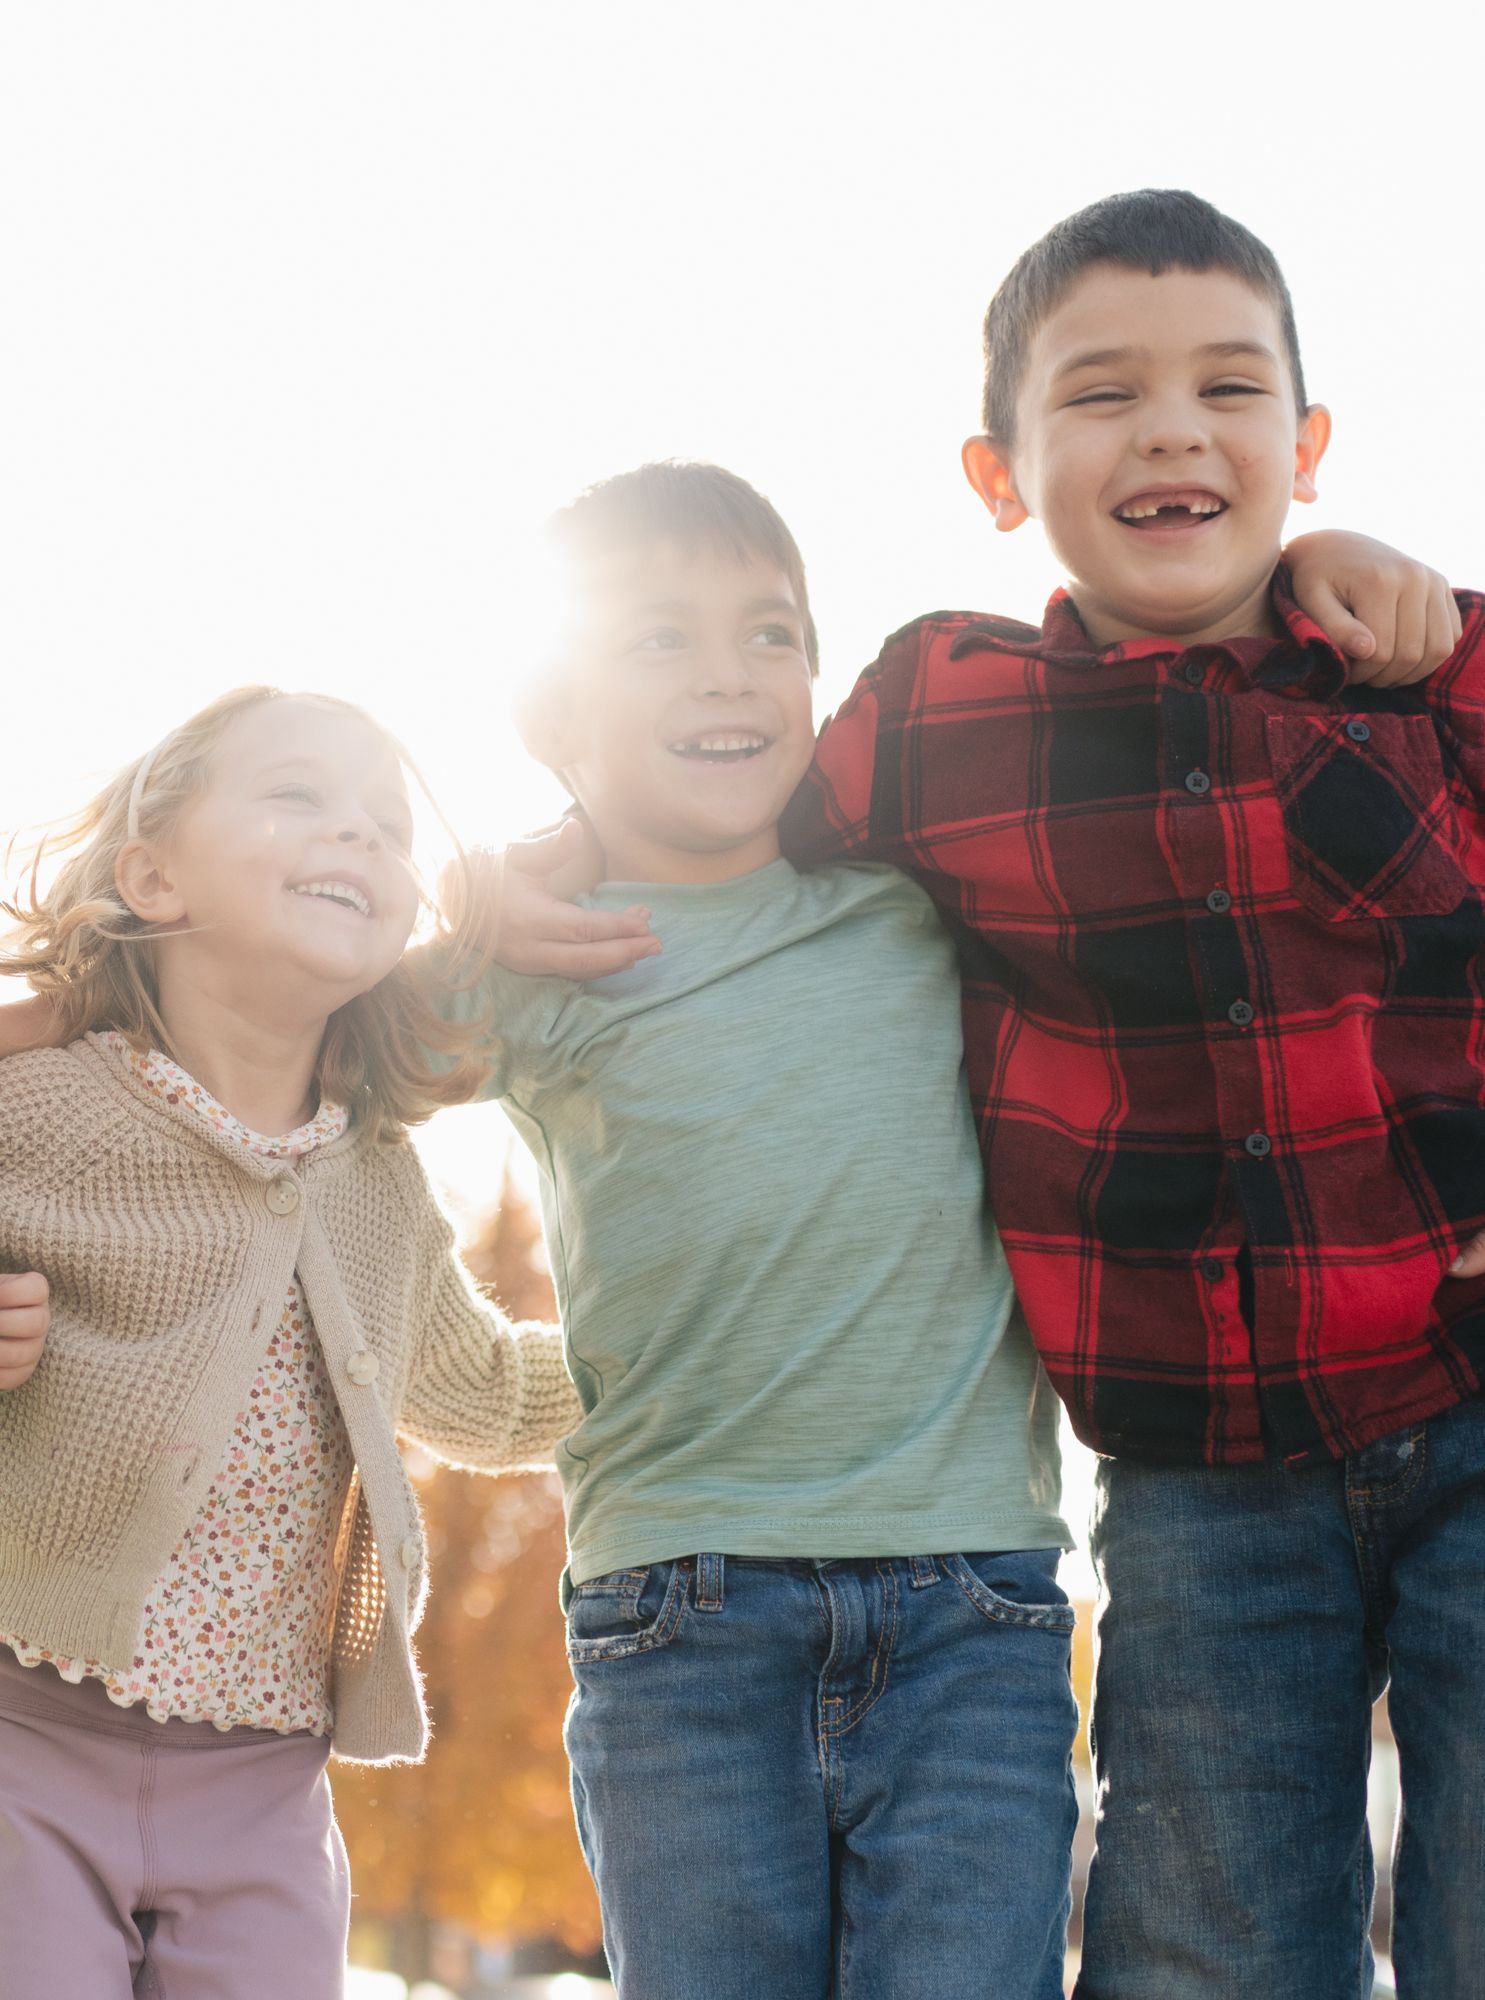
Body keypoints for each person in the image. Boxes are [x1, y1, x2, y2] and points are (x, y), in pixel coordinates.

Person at [497, 196, 1480, 1994]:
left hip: (1474, 1394)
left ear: (1302, 444)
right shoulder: (938, 716)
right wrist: (520, 865)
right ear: (999, 473)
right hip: (1201, 1471)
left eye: (1225, 388)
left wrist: (1372, 574)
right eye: (1100, 394)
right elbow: (705, 812)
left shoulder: (1435, 674)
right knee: (1209, 1939)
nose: (1169, 427)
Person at [424, 459, 1080, 1999]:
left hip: (971, 1603)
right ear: (551, 716)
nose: (728, 671)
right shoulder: (535, 960)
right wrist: (469, 894)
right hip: (682, 1613)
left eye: (769, 632)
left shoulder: (916, 908)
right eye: (658, 637)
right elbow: (293, 1041)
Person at [0, 686, 579, 2000]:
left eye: (386, 822)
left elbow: (478, 1391)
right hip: (22, 1738)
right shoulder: (37, 1110)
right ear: (150, 873)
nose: (359, 837)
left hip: (263, 1776)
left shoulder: (375, 1182)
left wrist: (668, 1357)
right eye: (302, 798)